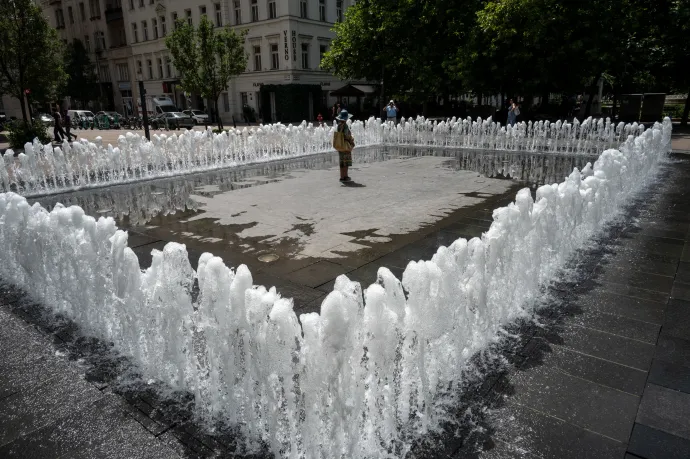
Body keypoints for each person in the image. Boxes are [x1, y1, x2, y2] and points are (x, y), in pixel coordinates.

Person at [333, 109, 355, 182]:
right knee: (346, 162)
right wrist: (351, 140)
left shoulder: (339, 125)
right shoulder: (345, 126)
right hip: (345, 145)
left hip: (340, 145)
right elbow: (346, 135)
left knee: (342, 162)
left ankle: (341, 177)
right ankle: (345, 176)